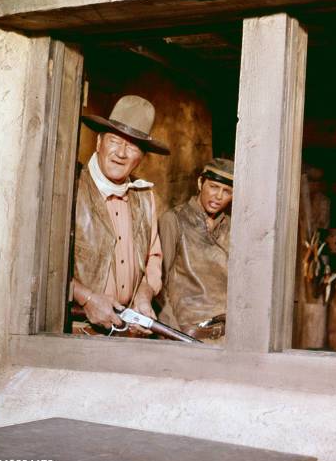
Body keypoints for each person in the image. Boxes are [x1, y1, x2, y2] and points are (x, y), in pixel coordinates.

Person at [71, 95, 169, 337]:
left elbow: (153, 257)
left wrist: (145, 293)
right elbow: (44, 267)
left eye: (132, 146)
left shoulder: (144, 196)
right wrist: (87, 298)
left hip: (127, 330)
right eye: (115, 141)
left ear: (142, 157)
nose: (121, 153)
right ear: (98, 142)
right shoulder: (71, 188)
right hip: (78, 330)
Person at [159, 158, 234, 341]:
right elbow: (159, 282)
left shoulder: (234, 227)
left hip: (226, 337)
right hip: (185, 334)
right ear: (200, 183)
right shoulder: (174, 220)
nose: (218, 196)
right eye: (214, 187)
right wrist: (172, 333)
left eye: (227, 191)